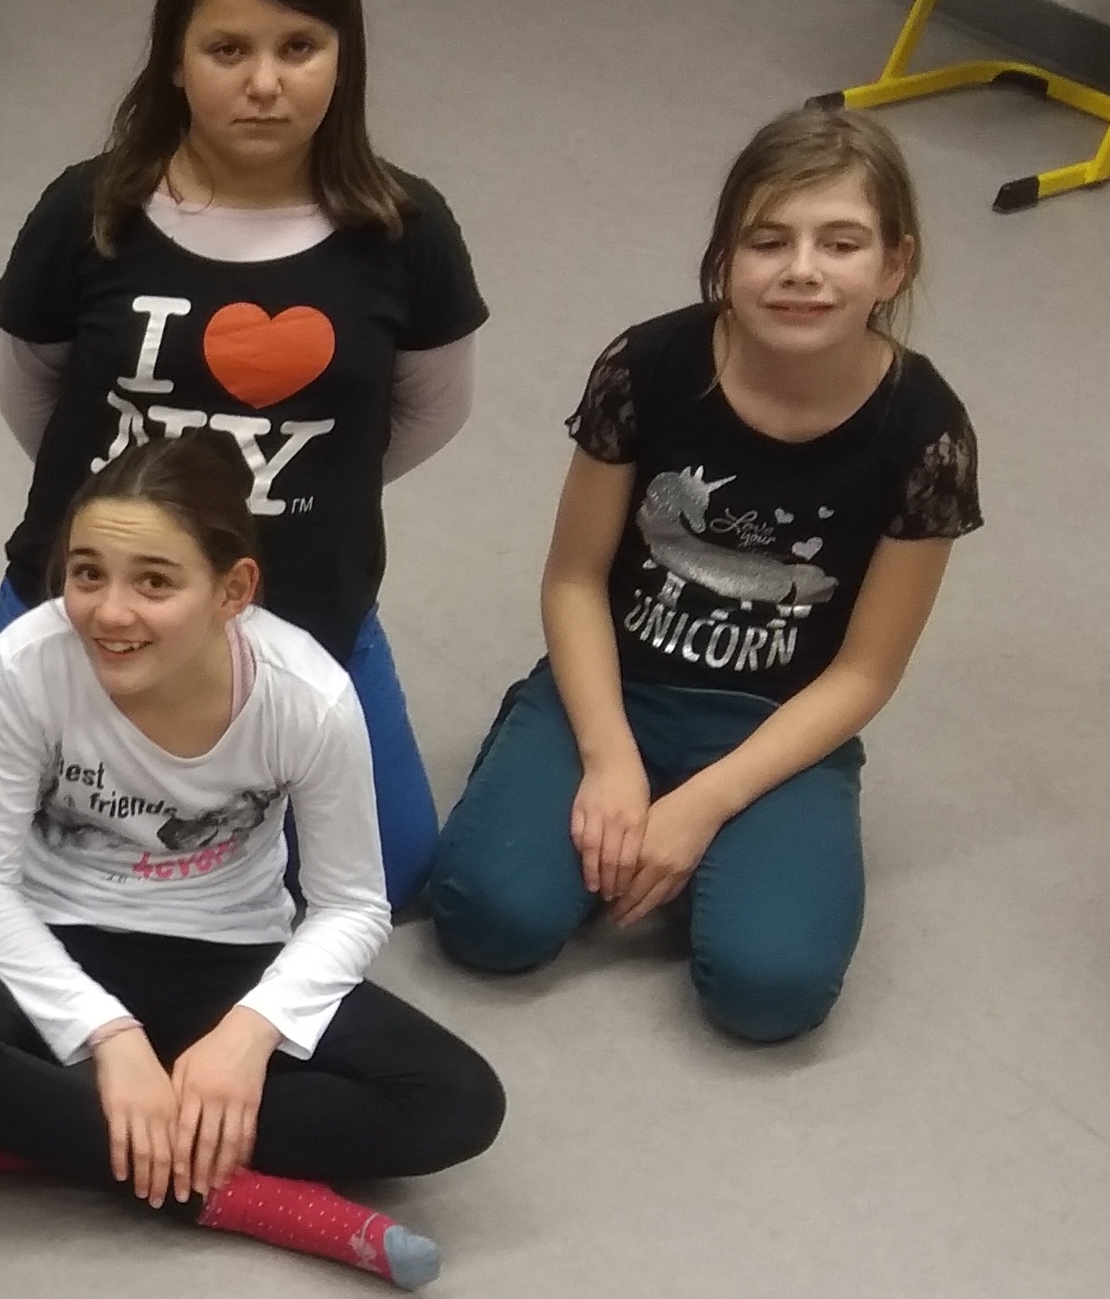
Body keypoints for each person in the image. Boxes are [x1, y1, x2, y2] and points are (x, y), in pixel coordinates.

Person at [0, 0, 483, 900]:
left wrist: (305, 491)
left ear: (344, 58)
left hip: (303, 593)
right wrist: (135, 516)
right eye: (227, 49)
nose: (265, 83)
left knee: (392, 873)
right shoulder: (89, 209)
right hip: (94, 588)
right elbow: (30, 388)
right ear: (175, 58)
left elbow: (432, 409)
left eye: (299, 47)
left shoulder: (407, 229)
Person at [0, 432, 502, 1283]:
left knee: (457, 1101)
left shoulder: (307, 697)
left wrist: (250, 1032)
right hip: (62, 932)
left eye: (155, 582)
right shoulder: (26, 663)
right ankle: (245, 1199)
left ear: (232, 590)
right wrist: (109, 1038)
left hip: (229, 952)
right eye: (87, 573)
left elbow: (351, 906)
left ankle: (43, 1135)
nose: (109, 612)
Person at [420, 102, 981, 1046]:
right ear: (724, 257)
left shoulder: (927, 431)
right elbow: (574, 580)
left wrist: (704, 804)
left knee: (769, 992)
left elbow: (864, 672)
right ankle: (546, 742)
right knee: (487, 922)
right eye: (768, 240)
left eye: (840, 243)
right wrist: (608, 757)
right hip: (618, 687)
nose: (802, 269)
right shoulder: (647, 364)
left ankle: (708, 841)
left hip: (776, 724)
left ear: (895, 266)